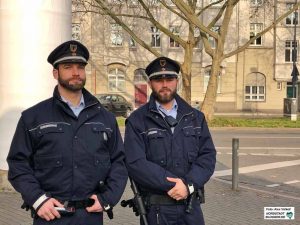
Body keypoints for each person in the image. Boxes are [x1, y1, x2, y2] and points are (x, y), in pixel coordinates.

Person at [7, 40, 128, 225]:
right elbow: (18, 164)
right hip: (50, 215)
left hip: (91, 216)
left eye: (80, 67)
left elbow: (119, 162)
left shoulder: (105, 118)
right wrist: (38, 200)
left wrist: (108, 198)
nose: (75, 73)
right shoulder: (33, 117)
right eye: (67, 67)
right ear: (55, 73)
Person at [124, 56, 216, 225]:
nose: (164, 84)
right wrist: (173, 185)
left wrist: (188, 185)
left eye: (169, 79)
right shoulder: (138, 120)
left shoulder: (195, 117)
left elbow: (207, 156)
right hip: (157, 211)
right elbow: (135, 163)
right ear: (150, 83)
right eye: (158, 79)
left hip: (191, 208)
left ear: (177, 81)